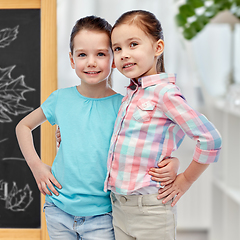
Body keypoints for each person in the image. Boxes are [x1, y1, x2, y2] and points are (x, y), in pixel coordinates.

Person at [16, 15, 178, 240]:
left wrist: (173, 161)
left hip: (104, 216)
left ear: (113, 59)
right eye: (82, 54)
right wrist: (36, 166)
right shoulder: (60, 99)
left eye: (101, 54)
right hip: (58, 210)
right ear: (72, 60)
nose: (91, 62)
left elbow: (148, 144)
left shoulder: (125, 106)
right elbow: (23, 126)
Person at [105, 10, 222, 240]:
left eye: (133, 44)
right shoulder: (130, 95)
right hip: (119, 207)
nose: (124, 54)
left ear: (158, 48)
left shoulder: (165, 94)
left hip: (151, 210)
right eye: (117, 48)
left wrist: (185, 179)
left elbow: (210, 139)